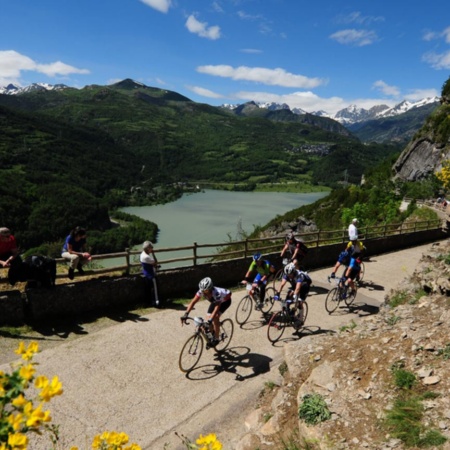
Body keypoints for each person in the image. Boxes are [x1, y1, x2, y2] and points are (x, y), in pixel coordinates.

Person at [181, 277, 232, 346]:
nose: (204, 293)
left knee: (215, 317)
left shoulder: (217, 293)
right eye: (203, 291)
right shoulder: (201, 291)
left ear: (210, 289)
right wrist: (186, 314)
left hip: (225, 301)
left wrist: (211, 319)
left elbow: (217, 308)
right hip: (215, 302)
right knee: (207, 320)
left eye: (206, 291)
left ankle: (216, 339)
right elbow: (193, 302)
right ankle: (212, 335)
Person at [140, 240, 160, 307]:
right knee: (155, 290)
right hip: (151, 276)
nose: (152, 249)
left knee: (148, 290)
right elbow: (156, 262)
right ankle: (156, 303)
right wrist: (153, 253)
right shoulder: (147, 257)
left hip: (146, 275)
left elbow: (151, 264)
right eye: (151, 248)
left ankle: (149, 303)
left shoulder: (142, 254)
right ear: (148, 248)